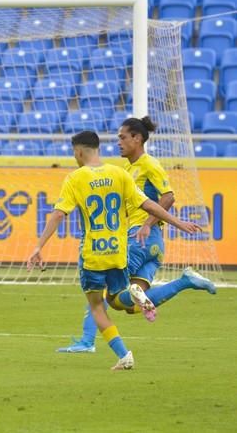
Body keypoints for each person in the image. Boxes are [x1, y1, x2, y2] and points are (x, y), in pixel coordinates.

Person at [27, 131, 202, 370]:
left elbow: (59, 214)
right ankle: (136, 295)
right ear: (98, 148)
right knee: (118, 301)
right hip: (118, 251)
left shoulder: (75, 178)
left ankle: (123, 355)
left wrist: (38, 246)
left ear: (78, 151)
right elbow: (149, 204)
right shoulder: (120, 174)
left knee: (98, 306)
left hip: (92, 255)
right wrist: (179, 223)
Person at [57, 117, 216, 353]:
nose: (118, 142)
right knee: (131, 304)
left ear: (137, 138)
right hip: (153, 244)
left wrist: (146, 225)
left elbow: (168, 196)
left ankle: (87, 341)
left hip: (139, 238)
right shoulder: (126, 169)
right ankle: (185, 281)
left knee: (103, 290)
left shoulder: (148, 164)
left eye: (122, 137)